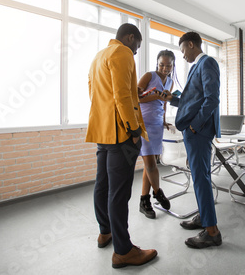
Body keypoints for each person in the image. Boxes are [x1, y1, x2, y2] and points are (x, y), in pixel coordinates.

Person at [86, 23, 157, 268]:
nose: (136, 52)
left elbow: (93, 93)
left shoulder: (98, 57)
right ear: (129, 38)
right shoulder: (122, 53)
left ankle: (105, 231)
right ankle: (123, 251)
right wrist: (134, 129)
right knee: (119, 192)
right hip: (121, 134)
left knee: (102, 185)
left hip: (102, 132)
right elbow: (123, 94)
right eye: (137, 46)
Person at [166, 31, 222, 249]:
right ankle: (203, 217)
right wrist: (171, 99)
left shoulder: (207, 63)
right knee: (200, 177)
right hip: (194, 131)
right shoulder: (196, 68)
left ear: (191, 44)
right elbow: (192, 101)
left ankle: (212, 231)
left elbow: (212, 100)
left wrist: (193, 126)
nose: (182, 56)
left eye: (182, 51)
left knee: (201, 179)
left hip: (198, 131)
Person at [137, 50, 178, 219]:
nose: (165, 68)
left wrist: (163, 120)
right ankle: (158, 192)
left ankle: (144, 201)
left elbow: (165, 103)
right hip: (144, 124)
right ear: (157, 63)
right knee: (151, 164)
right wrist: (153, 95)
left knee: (150, 166)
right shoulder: (149, 76)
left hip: (157, 125)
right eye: (162, 64)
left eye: (168, 65)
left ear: (172, 66)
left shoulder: (170, 82)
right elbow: (136, 97)